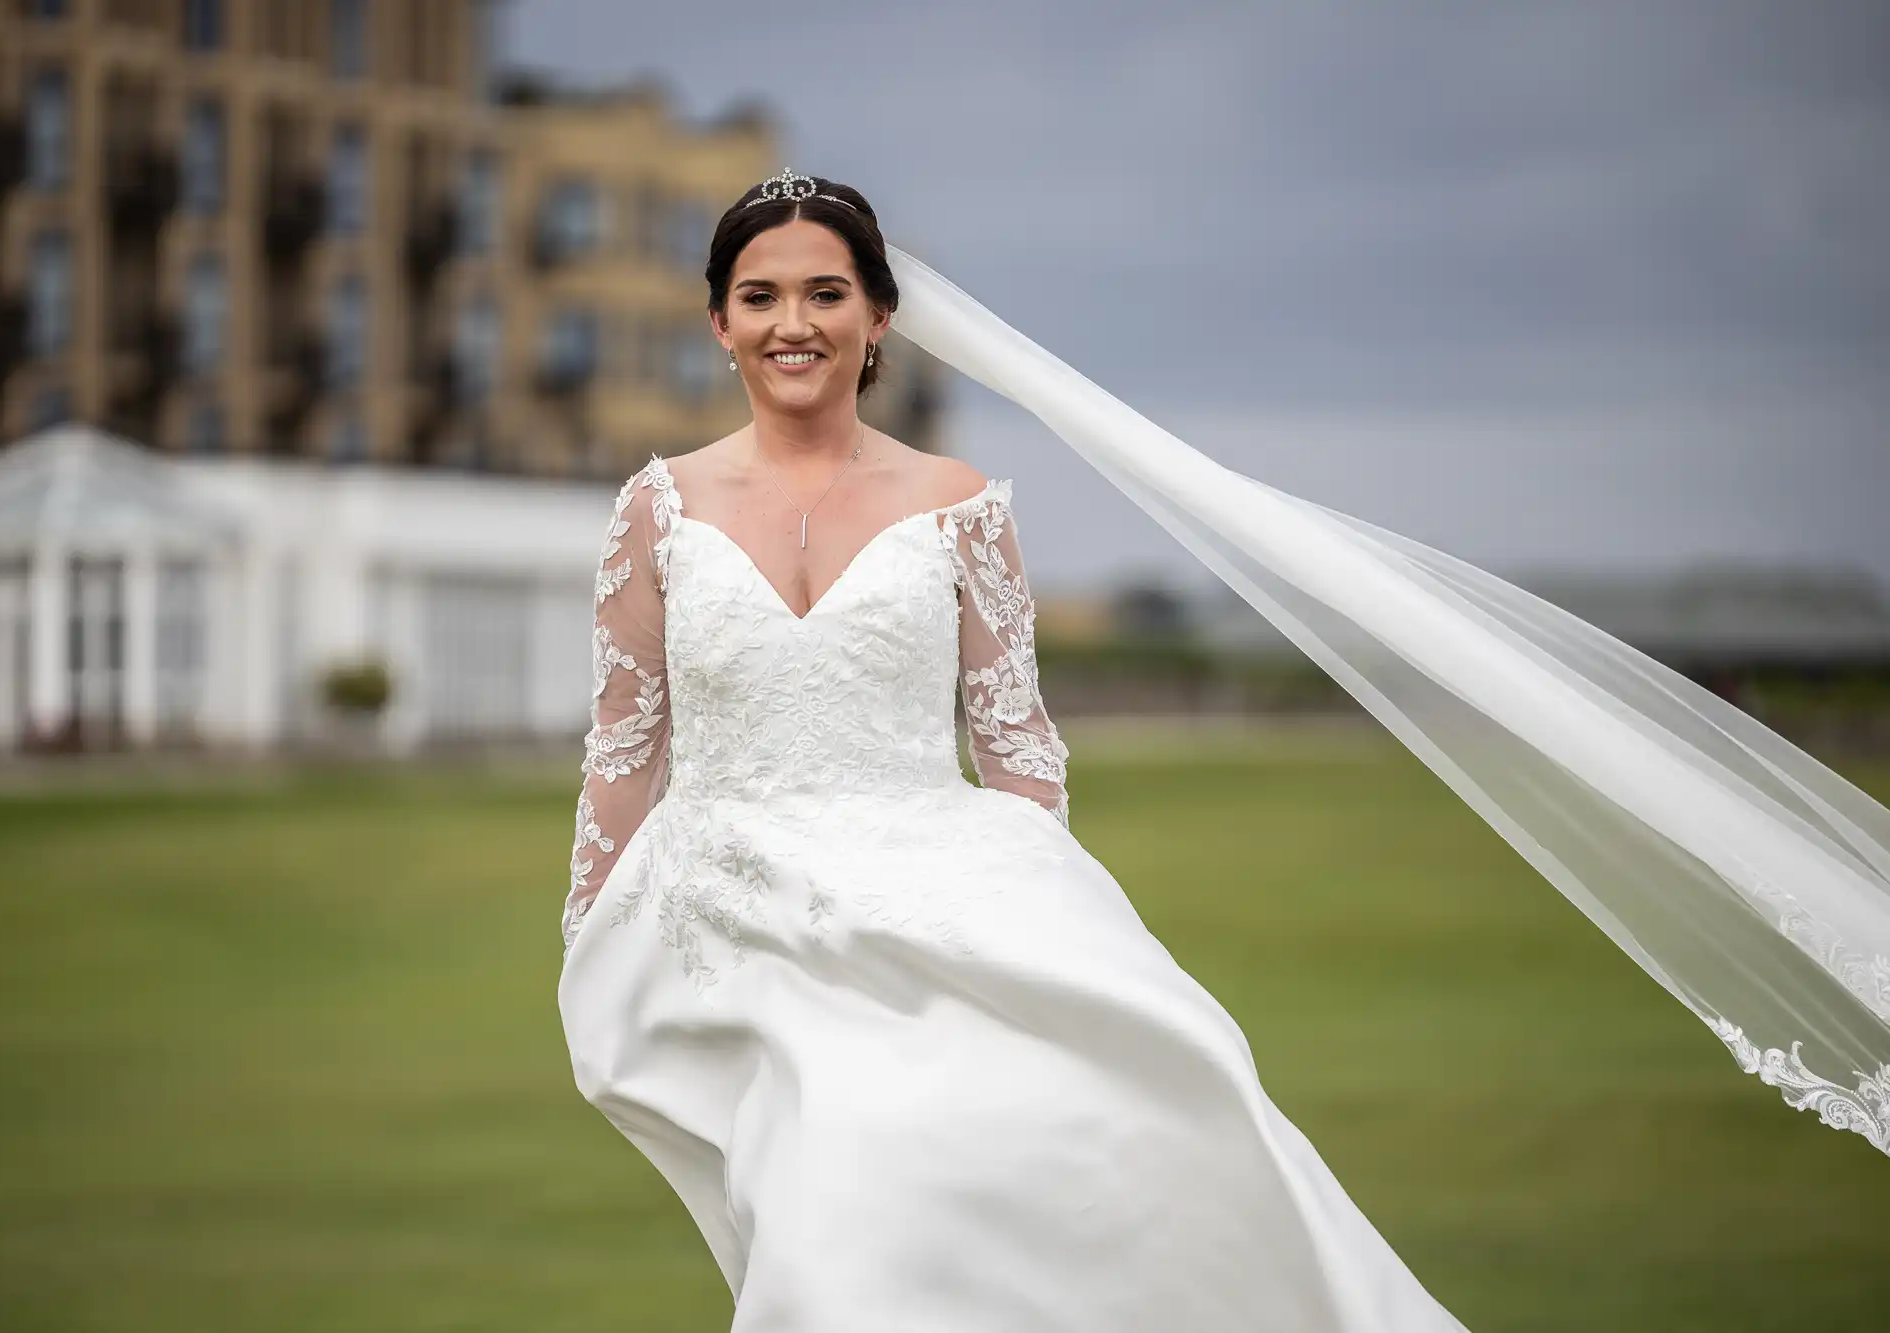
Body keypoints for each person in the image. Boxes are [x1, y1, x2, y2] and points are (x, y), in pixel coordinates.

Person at [558, 170, 1474, 1329]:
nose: (793, 323)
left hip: (927, 896)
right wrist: (585, 933)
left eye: (825, 293)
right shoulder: (658, 508)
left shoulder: (957, 505)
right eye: (760, 296)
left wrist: (1050, 922)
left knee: (1102, 1129)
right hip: (733, 925)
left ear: (878, 316)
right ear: (719, 322)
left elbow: (1015, 744)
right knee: (833, 1187)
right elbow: (624, 743)